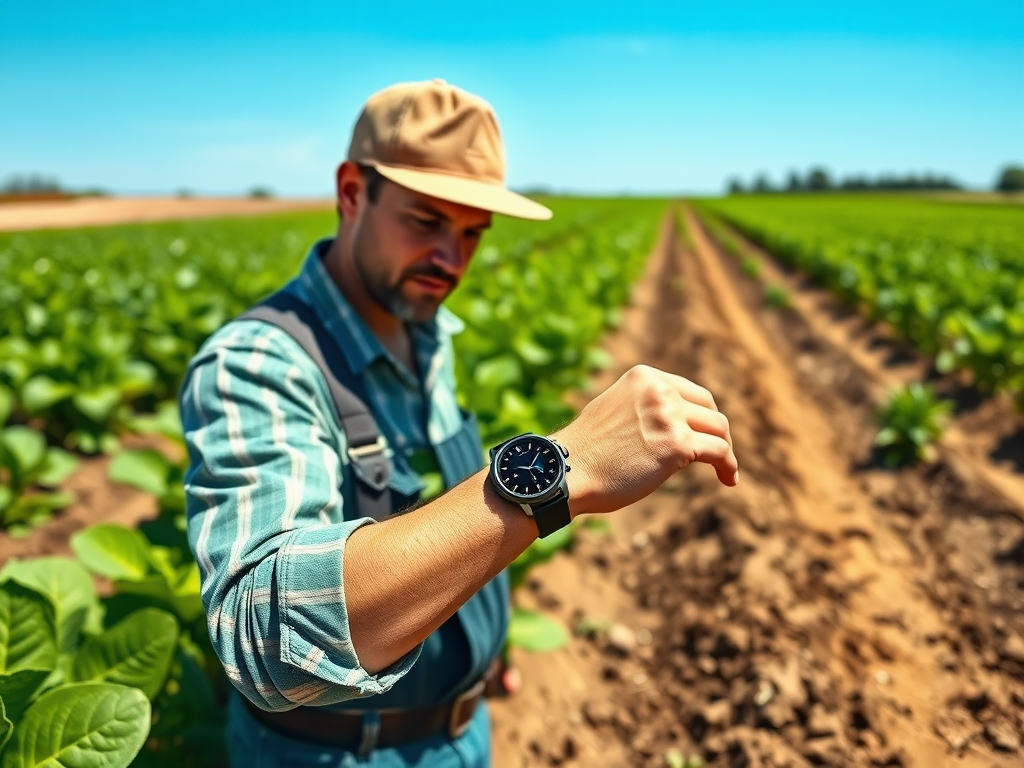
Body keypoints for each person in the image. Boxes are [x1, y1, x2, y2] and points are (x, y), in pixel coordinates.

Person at [179, 78, 739, 768]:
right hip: (339, 752)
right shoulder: (260, 363)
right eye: (425, 221)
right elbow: (262, 641)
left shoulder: (426, 331)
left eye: (473, 233)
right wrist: (563, 467)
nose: (452, 260)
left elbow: (432, 515)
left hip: (462, 730)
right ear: (352, 192)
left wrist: (477, 644)